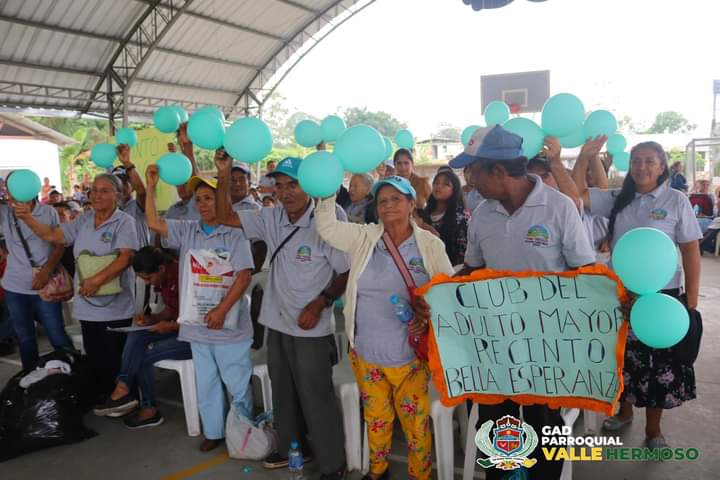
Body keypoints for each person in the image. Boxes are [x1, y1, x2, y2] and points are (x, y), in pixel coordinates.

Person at [427, 125, 597, 480]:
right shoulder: (482, 214)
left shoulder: (559, 208)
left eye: (473, 171)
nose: (469, 180)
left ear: (498, 171)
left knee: (543, 426)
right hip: (495, 345)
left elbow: (585, 273)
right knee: (495, 425)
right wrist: (440, 295)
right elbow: (474, 269)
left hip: (546, 347)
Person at [215, 156, 350, 480]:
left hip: (311, 325)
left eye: (293, 185)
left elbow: (346, 271)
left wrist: (321, 302)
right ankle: (295, 448)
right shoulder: (271, 216)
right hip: (277, 321)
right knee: (283, 391)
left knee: (316, 394)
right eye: (279, 185)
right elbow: (223, 216)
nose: (285, 192)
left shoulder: (328, 219)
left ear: (310, 186)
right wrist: (222, 173)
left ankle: (333, 463)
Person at [316, 175, 454, 480]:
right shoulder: (365, 237)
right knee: (376, 417)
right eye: (382, 201)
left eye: (396, 199)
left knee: (415, 424)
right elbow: (327, 229)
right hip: (367, 352)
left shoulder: (429, 244)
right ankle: (378, 471)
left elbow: (447, 293)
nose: (389, 205)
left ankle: (420, 475)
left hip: (409, 357)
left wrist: (427, 311)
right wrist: (326, 194)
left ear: (411, 204)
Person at [578, 141, 702, 450]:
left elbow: (690, 248)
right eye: (636, 161)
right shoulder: (617, 198)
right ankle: (624, 413)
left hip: (662, 295)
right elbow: (575, 196)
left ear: (661, 167)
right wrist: (585, 156)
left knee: (659, 365)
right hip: (620, 294)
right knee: (623, 359)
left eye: (649, 161)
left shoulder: (675, 200)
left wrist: (692, 297)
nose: (642, 167)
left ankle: (653, 429)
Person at [145, 167, 256, 452]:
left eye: (209, 198)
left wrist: (221, 311)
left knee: (237, 383)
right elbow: (153, 222)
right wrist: (150, 187)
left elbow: (244, 276)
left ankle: (243, 434)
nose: (203, 204)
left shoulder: (235, 234)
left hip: (229, 327)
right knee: (206, 382)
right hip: (198, 326)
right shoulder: (187, 230)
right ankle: (214, 431)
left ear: (222, 201)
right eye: (199, 199)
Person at [13, 173, 139, 399]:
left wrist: (96, 280)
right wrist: (27, 218)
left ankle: (126, 400)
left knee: (117, 358)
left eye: (104, 191)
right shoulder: (84, 220)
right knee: (95, 358)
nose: (97, 195)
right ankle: (103, 398)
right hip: (88, 306)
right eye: (94, 190)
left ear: (117, 195)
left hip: (115, 308)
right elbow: (53, 235)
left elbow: (126, 257)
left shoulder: (124, 221)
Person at [94, 246, 192, 429]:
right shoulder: (164, 277)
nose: (147, 283)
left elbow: (200, 321)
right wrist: (153, 319)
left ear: (161, 268)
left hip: (195, 337)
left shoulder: (185, 277)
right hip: (177, 329)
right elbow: (172, 310)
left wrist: (170, 325)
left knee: (144, 356)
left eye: (148, 278)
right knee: (136, 335)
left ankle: (149, 409)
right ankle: (123, 385)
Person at [0, 177, 72, 370]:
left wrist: (46, 271)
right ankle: (30, 375)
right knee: (24, 337)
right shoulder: (5, 212)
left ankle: (71, 371)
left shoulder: (48, 211)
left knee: (56, 333)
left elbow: (59, 244)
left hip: (45, 285)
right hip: (14, 287)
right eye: (10, 188)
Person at [419, 169, 470, 265]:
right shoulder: (424, 213)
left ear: (454, 190)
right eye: (436, 183)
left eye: (445, 184)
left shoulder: (461, 218)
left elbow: (463, 253)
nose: (438, 186)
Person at [112, 145, 150, 247]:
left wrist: (127, 163)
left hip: (139, 256)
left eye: (124, 183)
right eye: (116, 184)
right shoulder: (110, 211)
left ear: (132, 187)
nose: (120, 187)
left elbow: (142, 192)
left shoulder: (137, 205)